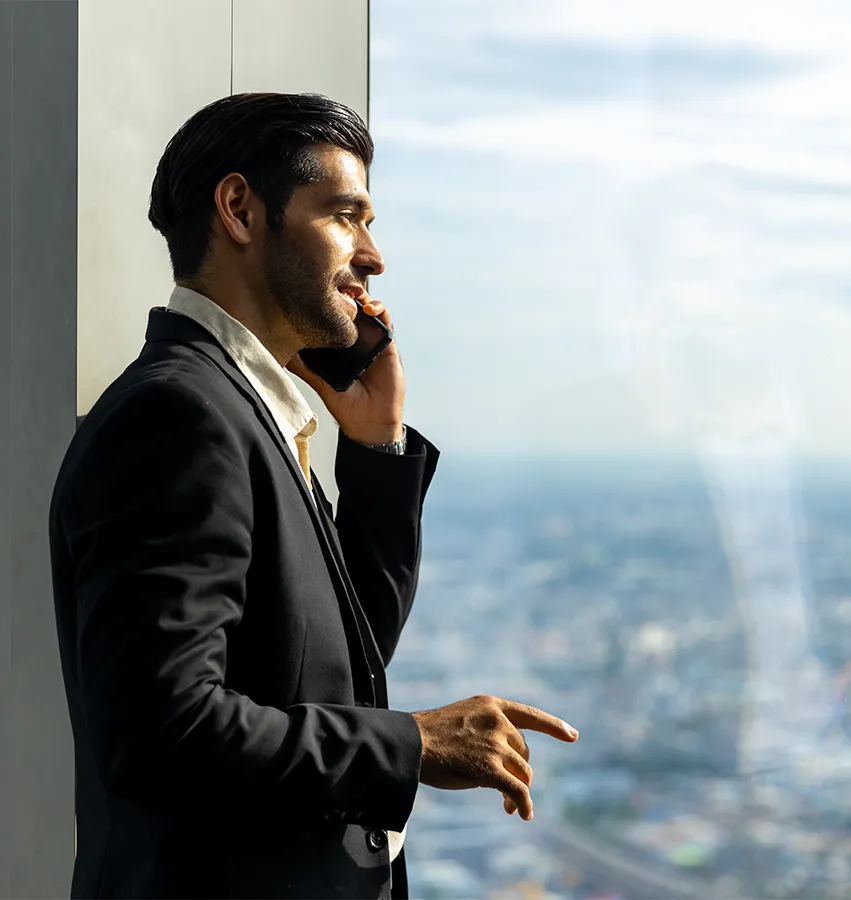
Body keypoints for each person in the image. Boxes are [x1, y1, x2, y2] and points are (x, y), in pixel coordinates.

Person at [49, 92, 579, 900]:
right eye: (347, 216)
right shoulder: (181, 414)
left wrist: (374, 448)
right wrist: (414, 746)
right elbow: (162, 731)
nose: (373, 256)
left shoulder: (239, 410)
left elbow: (342, 662)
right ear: (240, 210)